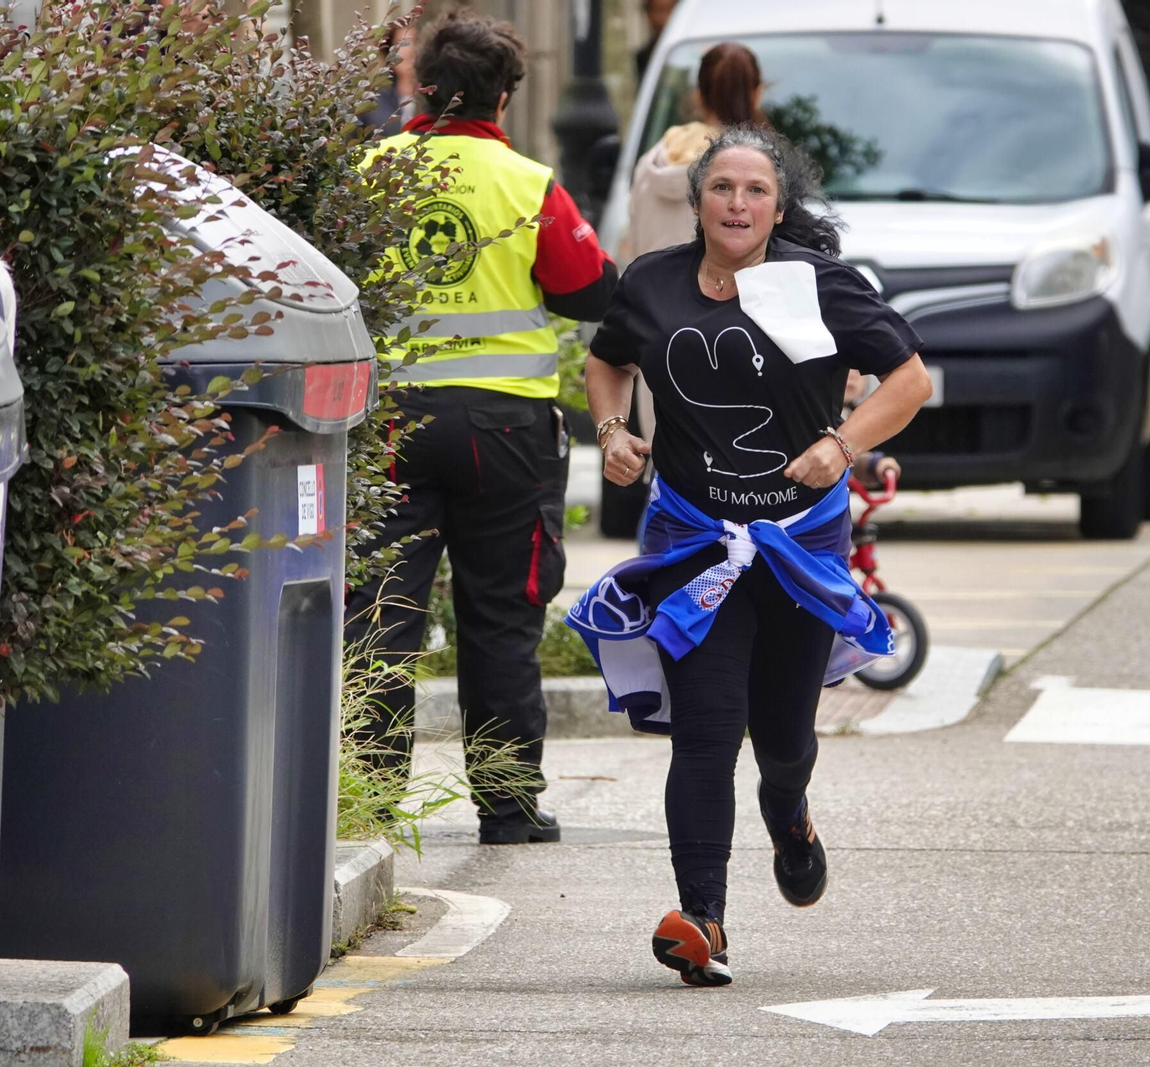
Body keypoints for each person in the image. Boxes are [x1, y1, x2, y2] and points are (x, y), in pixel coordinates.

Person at [568, 125, 933, 986]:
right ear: (696, 199)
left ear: (778, 205)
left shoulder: (818, 286)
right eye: (722, 187)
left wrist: (841, 447)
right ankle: (704, 919)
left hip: (799, 547)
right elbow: (607, 362)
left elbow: (910, 379)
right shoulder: (653, 283)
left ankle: (791, 815)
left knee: (782, 739)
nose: (737, 203)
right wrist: (616, 431)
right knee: (703, 732)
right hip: (697, 545)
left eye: (755, 190)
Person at [348, 8, 617, 845]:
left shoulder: (370, 170)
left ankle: (370, 806)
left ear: (421, 85)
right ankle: (505, 805)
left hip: (391, 423)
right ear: (504, 94)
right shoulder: (527, 182)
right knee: (500, 616)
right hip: (503, 428)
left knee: (381, 612)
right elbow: (588, 292)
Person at [627, 42, 764, 258]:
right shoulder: (758, 177)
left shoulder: (650, 162)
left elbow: (634, 249)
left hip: (649, 290)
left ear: (699, 96)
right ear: (757, 94)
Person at [360, 22, 419, 138]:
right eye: (402, 43)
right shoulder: (372, 105)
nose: (410, 51)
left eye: (415, 42)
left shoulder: (439, 103)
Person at [634, 0, 675, 82]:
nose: (660, 19)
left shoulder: (688, 52)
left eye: (666, 10)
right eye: (655, 11)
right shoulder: (641, 59)